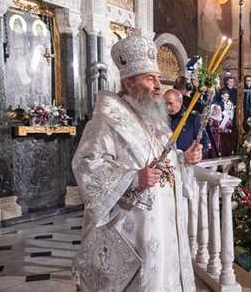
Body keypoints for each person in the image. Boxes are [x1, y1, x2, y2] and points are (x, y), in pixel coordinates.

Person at [72, 33, 202, 291]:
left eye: (158, 78)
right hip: (133, 234)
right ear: (129, 82)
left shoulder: (157, 121)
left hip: (164, 231)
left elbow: (161, 162)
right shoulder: (107, 120)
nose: (158, 85)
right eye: (149, 78)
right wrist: (132, 178)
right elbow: (86, 164)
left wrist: (183, 160)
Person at [164, 89, 209, 157]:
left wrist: (195, 154)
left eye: (170, 103)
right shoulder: (161, 118)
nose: (167, 107)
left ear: (180, 102)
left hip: (186, 161)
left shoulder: (192, 118)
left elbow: (204, 142)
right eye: (165, 103)